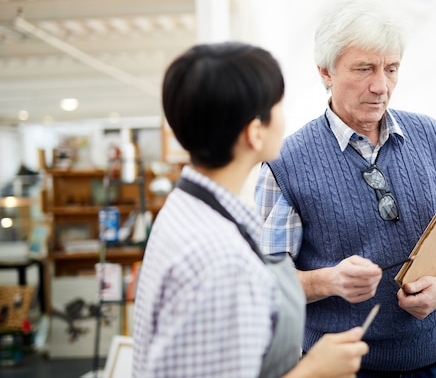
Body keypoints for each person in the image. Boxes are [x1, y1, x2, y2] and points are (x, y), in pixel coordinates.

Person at [255, 0, 436, 377]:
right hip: (342, 370)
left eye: (391, 69)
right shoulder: (285, 163)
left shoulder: (431, 137)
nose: (381, 86)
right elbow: (266, 283)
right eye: (364, 69)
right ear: (325, 72)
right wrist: (328, 280)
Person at [132, 42, 369, 378]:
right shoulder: (224, 260)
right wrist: (315, 370)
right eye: (278, 106)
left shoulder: (184, 209)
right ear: (254, 132)